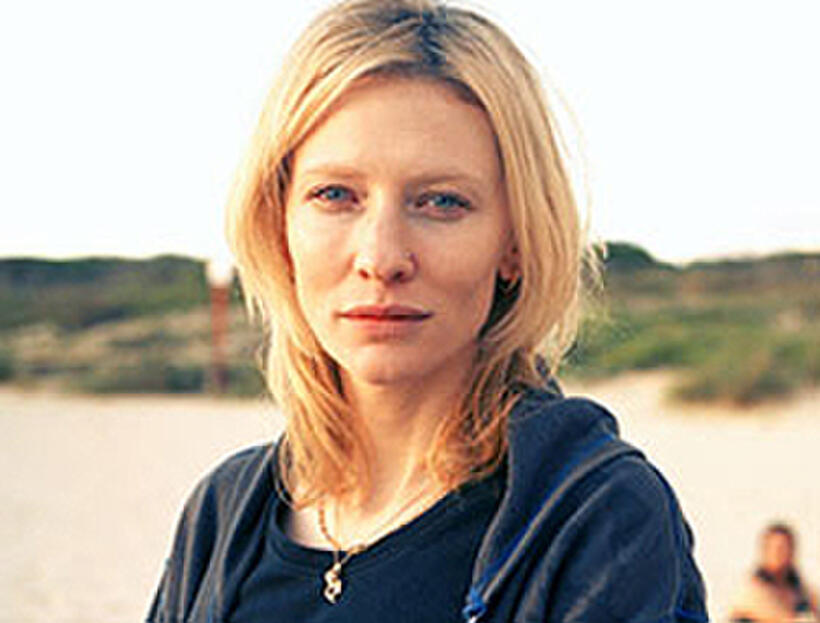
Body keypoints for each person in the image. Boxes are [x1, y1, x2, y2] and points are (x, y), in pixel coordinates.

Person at [146, 1, 707, 621]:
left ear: (515, 242)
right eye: (335, 195)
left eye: (441, 202)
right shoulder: (222, 516)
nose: (382, 258)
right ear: (280, 224)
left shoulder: (593, 518)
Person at [730, 523, 818, 622]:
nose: (781, 554)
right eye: (777, 549)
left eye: (787, 548)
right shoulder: (749, 595)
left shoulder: (804, 595)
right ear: (765, 551)